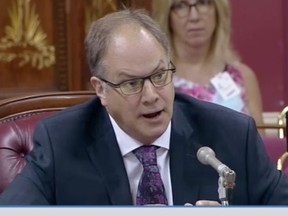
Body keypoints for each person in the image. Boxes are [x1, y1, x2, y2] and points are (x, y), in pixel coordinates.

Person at [0, 8, 287, 206]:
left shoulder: (230, 135)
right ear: (100, 89)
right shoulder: (61, 141)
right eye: (131, 84)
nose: (152, 95)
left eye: (160, 76)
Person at [152, 0, 264, 132]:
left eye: (203, 3)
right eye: (180, 6)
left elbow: (259, 145)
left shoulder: (243, 76)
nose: (194, 17)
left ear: (217, 11)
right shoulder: (157, 80)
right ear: (167, 16)